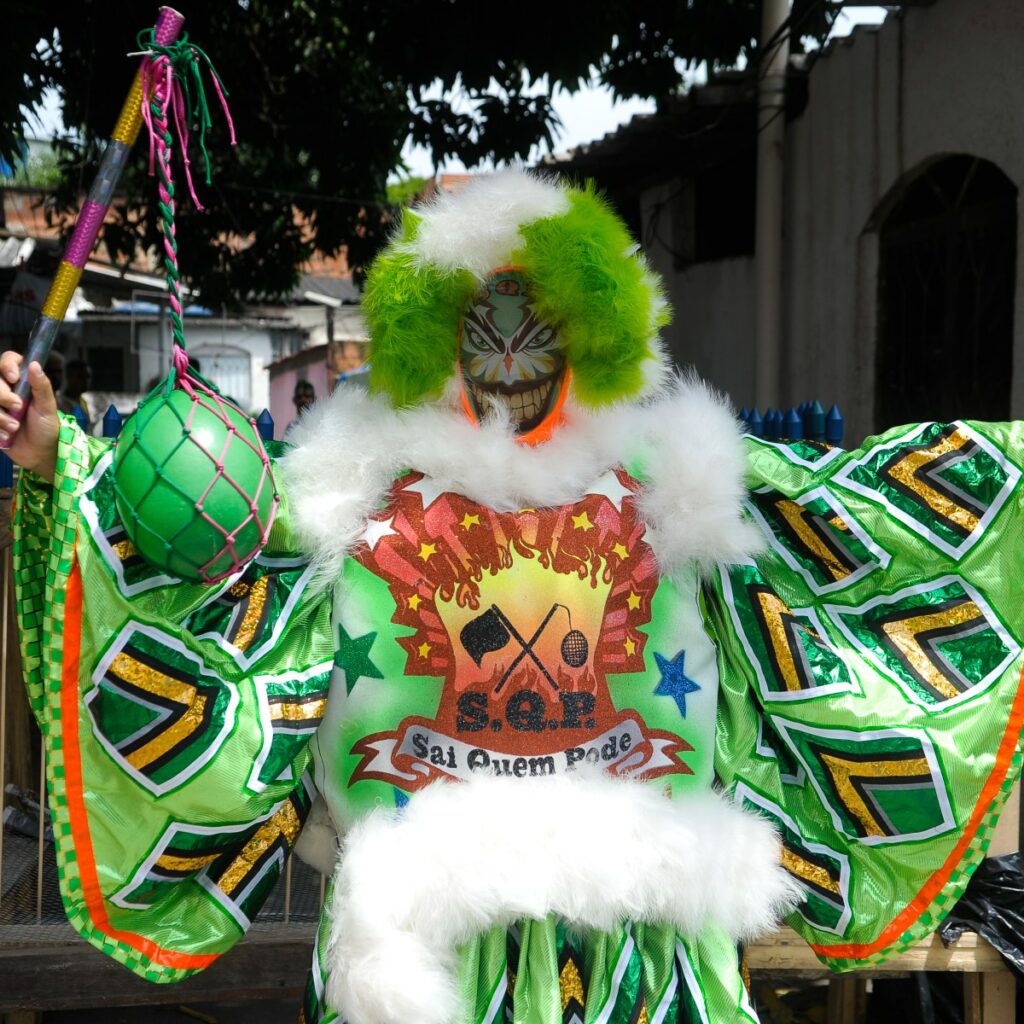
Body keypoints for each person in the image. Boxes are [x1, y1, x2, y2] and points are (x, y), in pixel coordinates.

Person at [1, 170, 1022, 1024]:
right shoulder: (356, 499)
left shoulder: (677, 485)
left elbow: (870, 524)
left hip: (646, 942)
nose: (507, 361)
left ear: (588, 336)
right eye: (477, 332)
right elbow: (206, 557)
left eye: (537, 330)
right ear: (433, 344)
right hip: (427, 951)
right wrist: (55, 454)